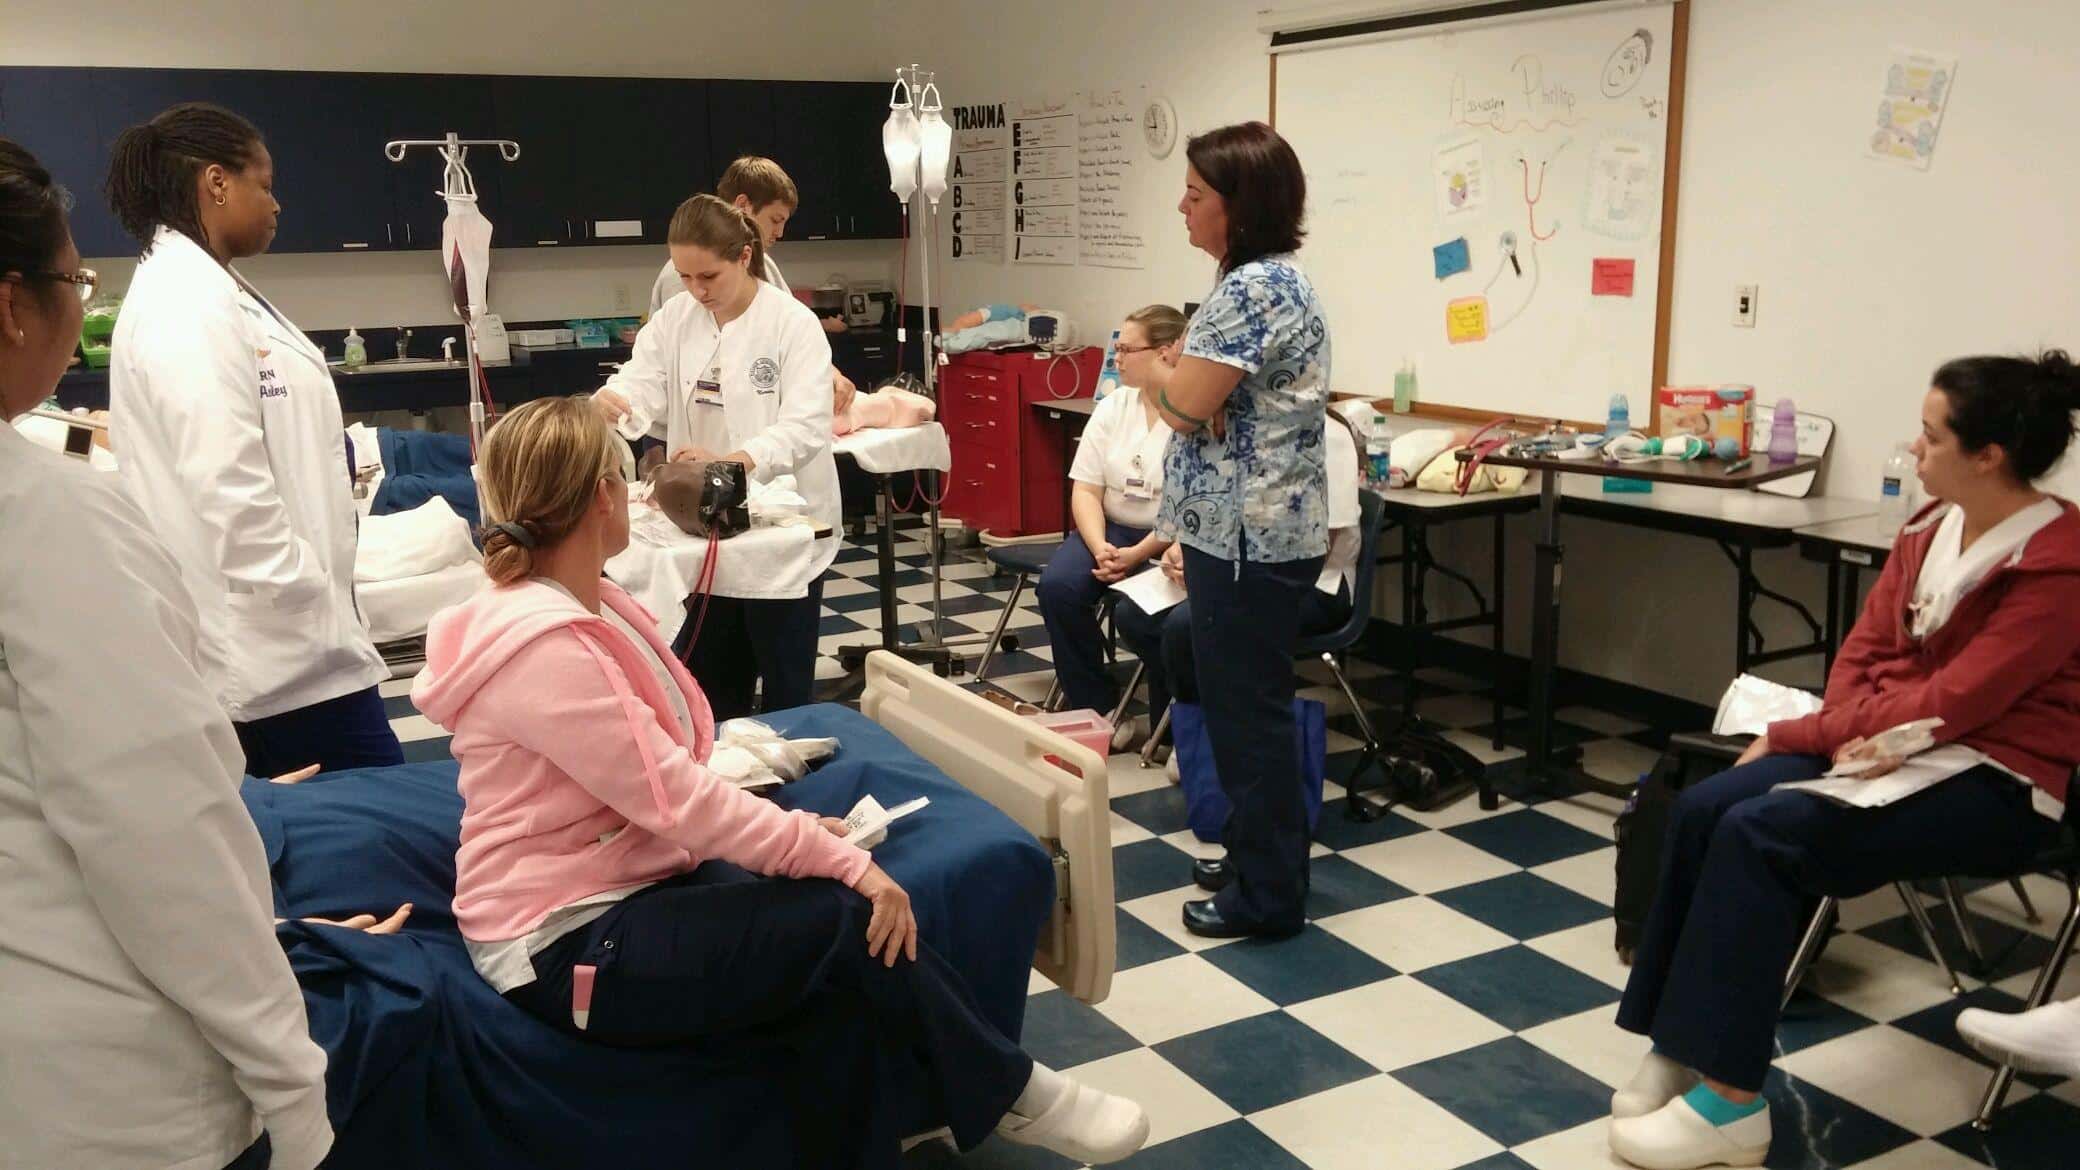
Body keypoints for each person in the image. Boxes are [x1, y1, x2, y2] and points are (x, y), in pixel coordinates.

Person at [410, 396, 1148, 1168]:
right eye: (628, 483)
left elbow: (663, 773)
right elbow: (678, 798)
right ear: (602, 496)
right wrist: (839, 859)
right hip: (561, 945)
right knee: (840, 919)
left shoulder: (587, 605)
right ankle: (1011, 1092)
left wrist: (796, 841)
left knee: (826, 971)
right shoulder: (544, 650)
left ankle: (896, 1130)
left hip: (620, 882)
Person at [1608, 351, 2080, 1170]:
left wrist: (1804, 735)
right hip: (1883, 746)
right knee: (1704, 806)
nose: (1914, 451)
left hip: (1993, 781)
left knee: (1763, 835)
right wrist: (1840, 724)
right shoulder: (1930, 527)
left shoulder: (2057, 566)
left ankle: (1731, 1104)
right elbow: (1863, 650)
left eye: (1930, 438)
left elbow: (1959, 701)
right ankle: (1676, 1046)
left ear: (1987, 456)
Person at [0, 136, 334, 1170]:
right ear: (15, 305)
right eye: (72, 281)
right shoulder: (45, 517)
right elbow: (158, 827)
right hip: (102, 1093)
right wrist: (293, 1082)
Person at [104, 102, 398, 777]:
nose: (276, 204)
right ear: (216, 182)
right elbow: (227, 483)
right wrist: (306, 591)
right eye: (263, 184)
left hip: (296, 653)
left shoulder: (210, 288)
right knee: (376, 843)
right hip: (277, 665)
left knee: (363, 848)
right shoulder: (185, 304)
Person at [1147, 121, 1332, 941]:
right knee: (1244, 711)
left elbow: (1186, 405)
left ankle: (1267, 896)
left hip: (1250, 542)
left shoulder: (1256, 291)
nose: (1180, 206)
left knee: (1249, 720)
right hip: (1242, 535)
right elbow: (1204, 400)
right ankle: (1261, 855)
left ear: (1240, 208)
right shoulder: (1250, 282)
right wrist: (1183, 384)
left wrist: (1150, 371)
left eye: (1195, 194)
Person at [596, 194, 840, 718]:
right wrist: (617, 402)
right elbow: (643, 380)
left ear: (744, 257)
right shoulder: (677, 319)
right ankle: (721, 787)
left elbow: (805, 427)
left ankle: (791, 793)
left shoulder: (792, 325)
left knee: (785, 696)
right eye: (684, 277)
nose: (696, 290)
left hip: (783, 529)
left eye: (708, 276)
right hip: (703, 526)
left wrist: (732, 463)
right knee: (710, 688)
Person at [1117, 409, 1361, 818]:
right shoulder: (1233, 426)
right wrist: (1184, 553)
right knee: (1135, 615)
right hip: (1237, 571)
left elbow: (1318, 545)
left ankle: (1207, 735)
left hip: (1308, 583)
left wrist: (1213, 574)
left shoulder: (1326, 436)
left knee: (1186, 626)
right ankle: (1192, 723)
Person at [1035, 304, 1186, 720]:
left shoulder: (1191, 413)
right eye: (1116, 350)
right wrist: (1100, 546)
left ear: (1165, 352)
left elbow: (1187, 507)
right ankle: (1093, 704)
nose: (1115, 359)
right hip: (1109, 531)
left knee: (1145, 613)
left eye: (1126, 351)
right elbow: (1085, 488)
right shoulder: (1114, 405)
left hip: (1168, 541)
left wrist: (1136, 556)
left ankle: (1168, 720)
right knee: (1058, 587)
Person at [649, 155, 858, 419]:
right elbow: (690, 373)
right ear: (743, 205)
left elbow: (791, 332)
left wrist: (827, 373)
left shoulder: (766, 268)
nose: (780, 232)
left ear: (745, 258)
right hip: (687, 424)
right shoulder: (684, 281)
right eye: (775, 219)